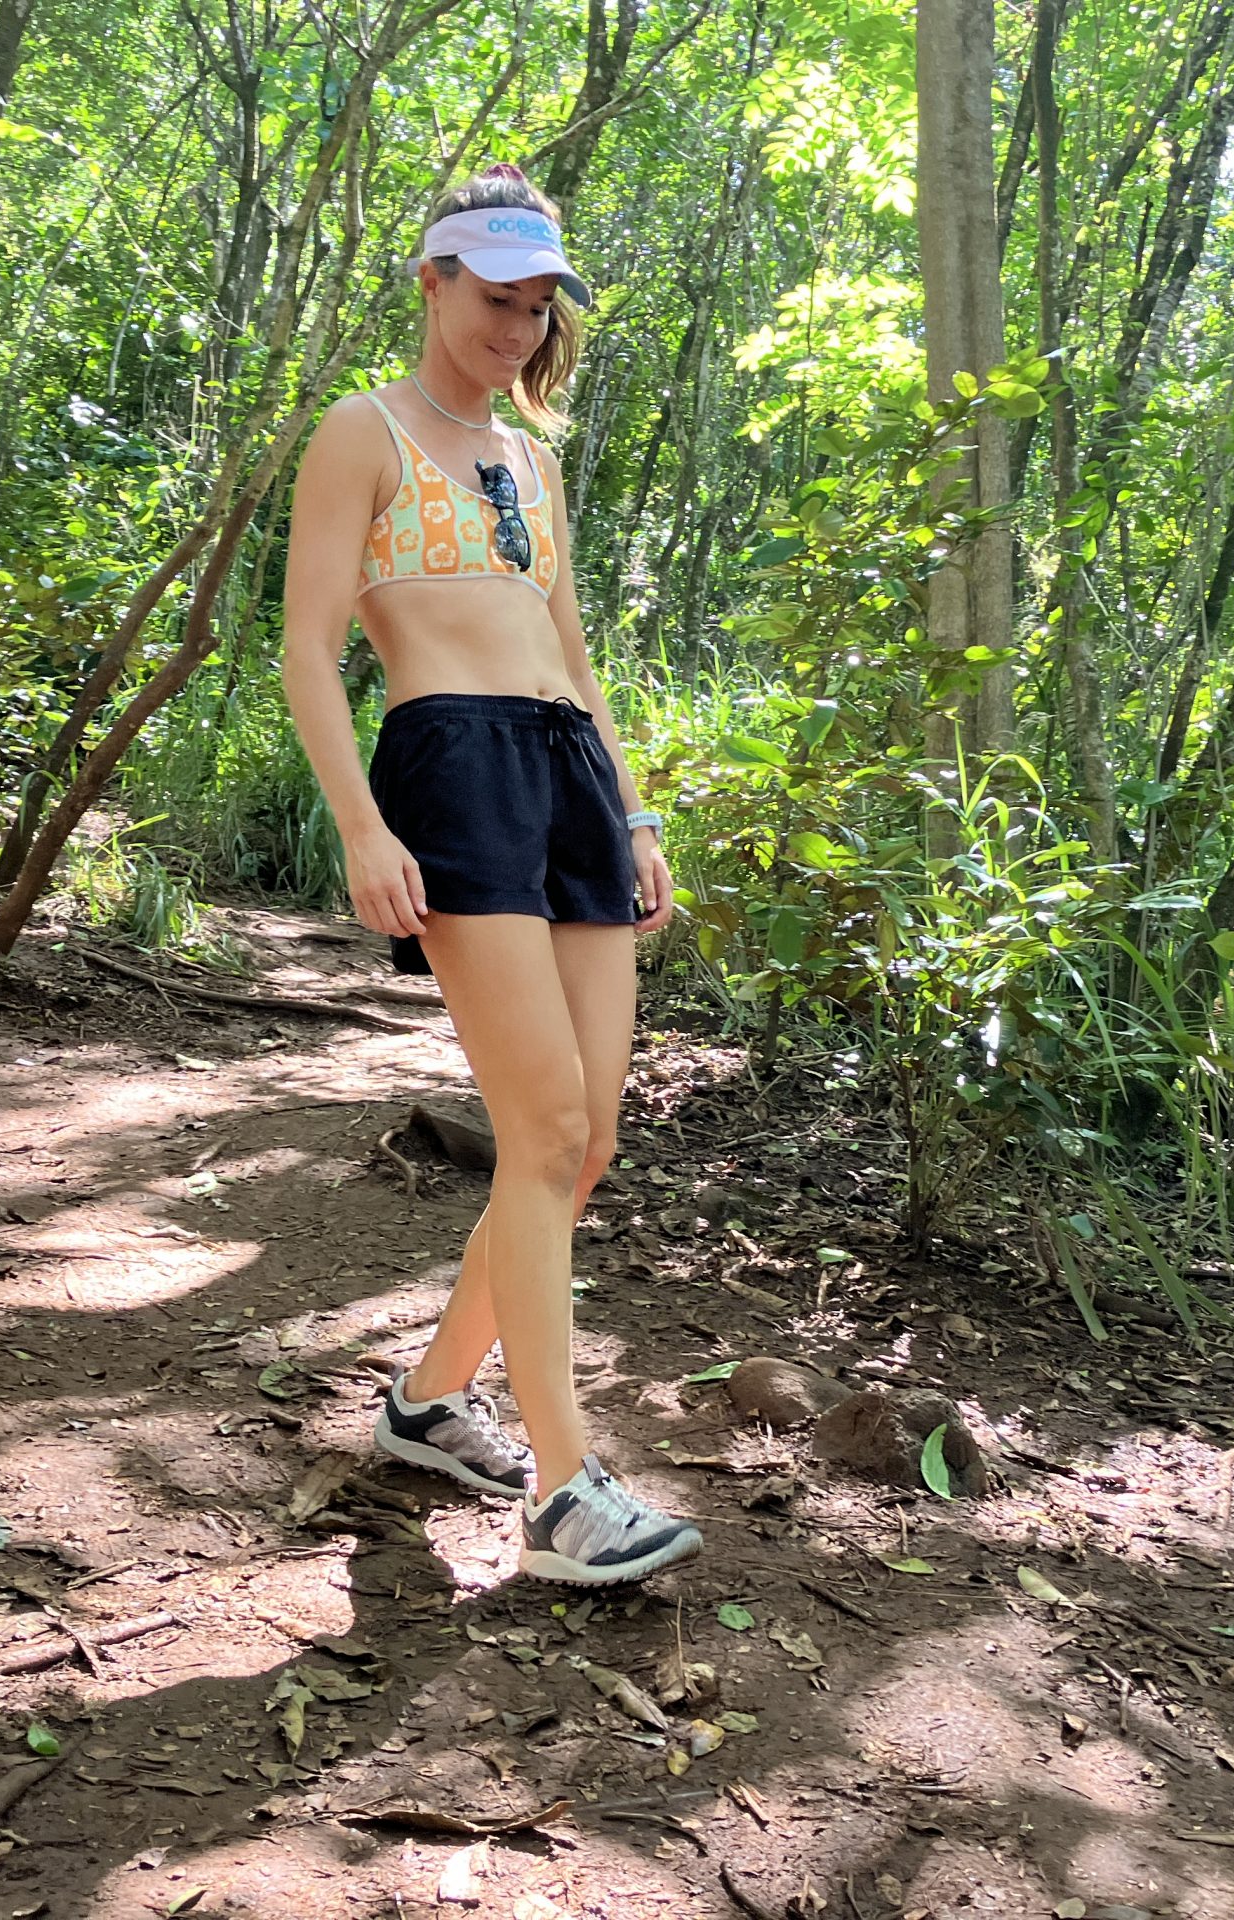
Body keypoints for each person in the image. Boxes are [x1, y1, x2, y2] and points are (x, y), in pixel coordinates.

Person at [278, 165, 704, 1587]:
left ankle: (423, 1404)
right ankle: (565, 1487)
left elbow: (574, 655)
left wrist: (632, 814)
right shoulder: (364, 431)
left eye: (538, 307)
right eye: (497, 298)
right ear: (434, 283)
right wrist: (359, 826)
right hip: (451, 769)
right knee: (545, 1127)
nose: (518, 327)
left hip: (570, 771)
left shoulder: (535, 456)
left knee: (586, 1151)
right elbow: (307, 650)